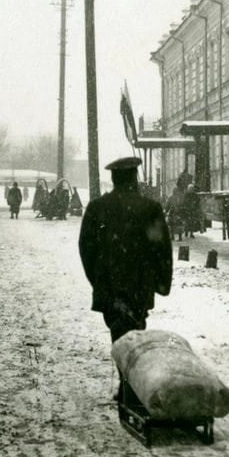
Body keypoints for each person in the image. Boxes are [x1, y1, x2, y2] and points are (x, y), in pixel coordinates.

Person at [78, 156, 172, 397]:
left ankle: (128, 385)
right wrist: (161, 283)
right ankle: (131, 385)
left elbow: (86, 249)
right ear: (134, 178)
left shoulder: (98, 208)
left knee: (118, 333)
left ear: (114, 179)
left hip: (109, 285)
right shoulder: (150, 208)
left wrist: (97, 279)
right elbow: (161, 248)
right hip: (140, 286)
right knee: (136, 332)